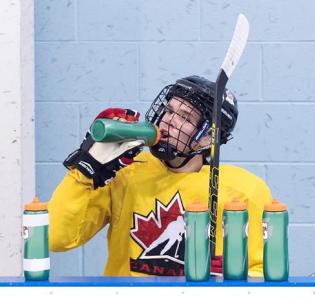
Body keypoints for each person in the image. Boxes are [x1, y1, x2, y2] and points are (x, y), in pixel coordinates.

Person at [48, 75, 273, 277]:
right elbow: (56, 237)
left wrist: (225, 280)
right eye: (170, 110)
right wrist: (84, 170)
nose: (168, 120)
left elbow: (260, 274)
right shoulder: (127, 171)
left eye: (184, 116)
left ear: (208, 138)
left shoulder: (244, 190)